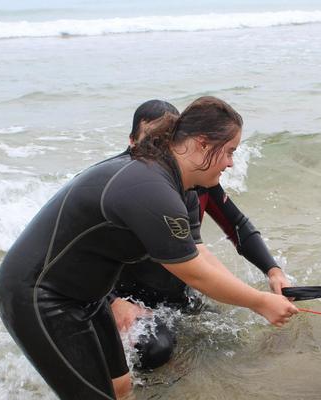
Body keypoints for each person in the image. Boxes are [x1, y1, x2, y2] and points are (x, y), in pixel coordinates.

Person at [0, 96, 297, 400]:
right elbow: (193, 271)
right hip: (40, 297)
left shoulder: (164, 177)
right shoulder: (150, 187)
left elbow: (204, 254)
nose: (230, 164)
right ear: (202, 145)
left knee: (120, 386)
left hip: (87, 296)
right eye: (229, 152)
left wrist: (268, 278)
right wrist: (260, 302)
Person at [109, 99, 290, 370]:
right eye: (149, 140)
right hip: (127, 294)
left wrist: (273, 272)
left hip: (177, 288)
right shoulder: (122, 184)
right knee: (157, 351)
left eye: (164, 139)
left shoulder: (194, 184)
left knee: (227, 343)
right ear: (132, 140)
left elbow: (235, 227)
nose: (155, 149)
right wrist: (112, 302)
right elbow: (81, 255)